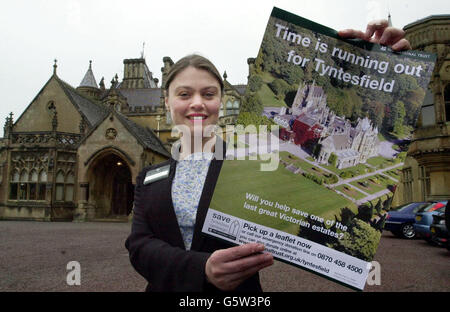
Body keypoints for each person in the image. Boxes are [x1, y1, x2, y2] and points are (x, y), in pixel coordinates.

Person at [125, 19, 411, 292]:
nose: (197, 103)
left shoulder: (250, 162)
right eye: (184, 94)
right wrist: (202, 269)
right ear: (166, 101)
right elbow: (139, 247)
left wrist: (376, 63)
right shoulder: (150, 177)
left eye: (208, 94)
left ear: (221, 102)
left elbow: (315, 227)